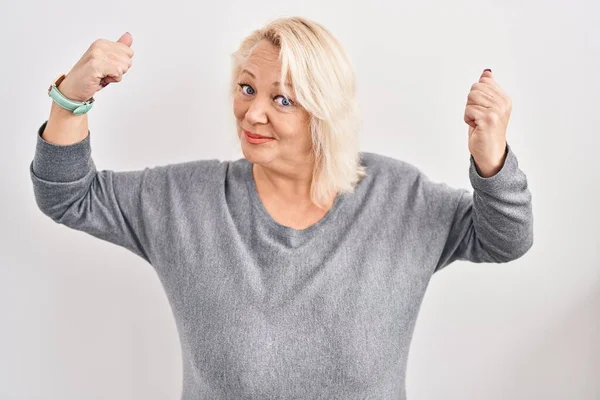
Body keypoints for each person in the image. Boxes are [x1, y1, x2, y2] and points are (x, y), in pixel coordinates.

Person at [30, 16, 533, 400]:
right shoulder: (186, 202)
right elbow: (69, 195)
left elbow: (504, 238)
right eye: (247, 88)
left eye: (282, 99)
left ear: (325, 111)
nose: (253, 112)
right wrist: (70, 98)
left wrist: (490, 156)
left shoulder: (399, 199)